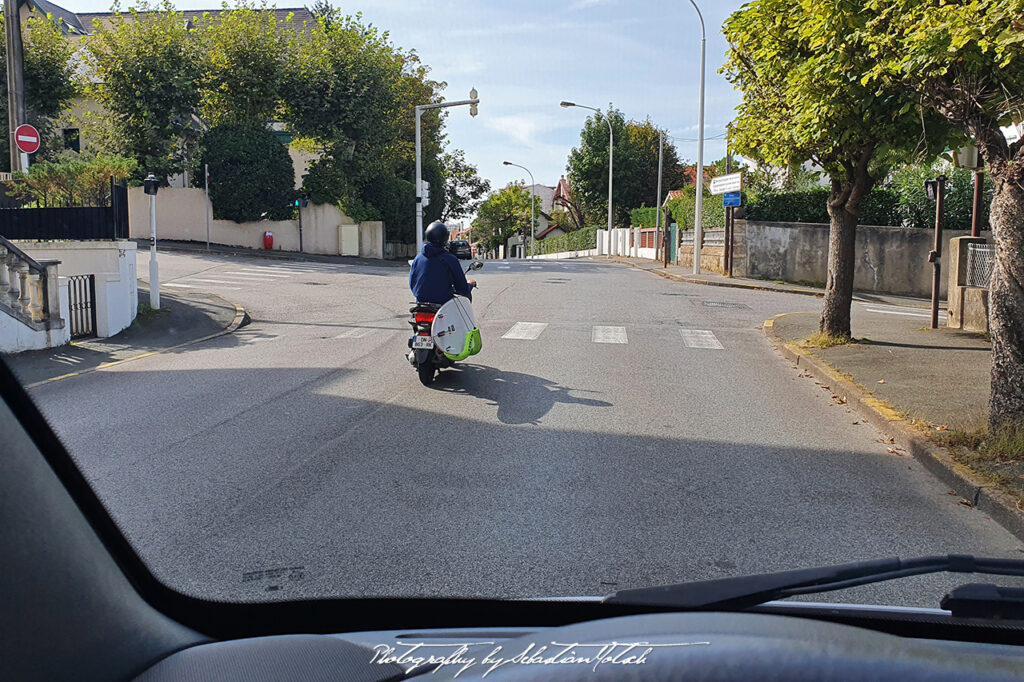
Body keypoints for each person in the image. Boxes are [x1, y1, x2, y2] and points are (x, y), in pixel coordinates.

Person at [409, 221, 477, 304]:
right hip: (443, 303)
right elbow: (462, 288)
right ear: (445, 238)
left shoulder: (418, 258)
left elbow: (412, 282)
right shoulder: (450, 259)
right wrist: (470, 285)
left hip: (421, 302)